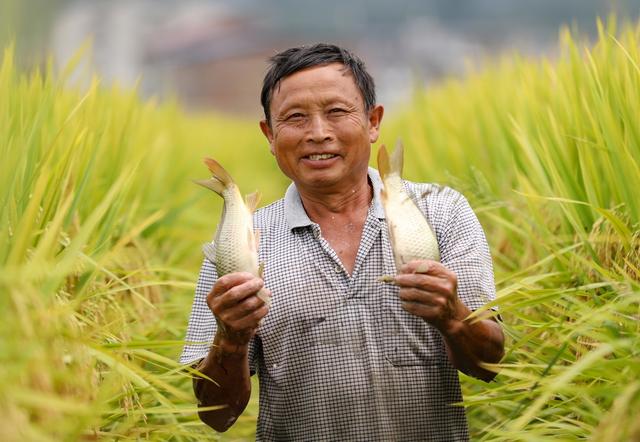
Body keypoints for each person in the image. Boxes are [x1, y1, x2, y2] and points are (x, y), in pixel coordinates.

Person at [180, 43, 504, 441]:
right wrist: (231, 338)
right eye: (295, 118)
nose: (318, 134)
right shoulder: (239, 244)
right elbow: (215, 416)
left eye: (336, 112)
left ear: (372, 121)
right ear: (269, 134)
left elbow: (490, 365)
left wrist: (452, 315)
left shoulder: (441, 211)